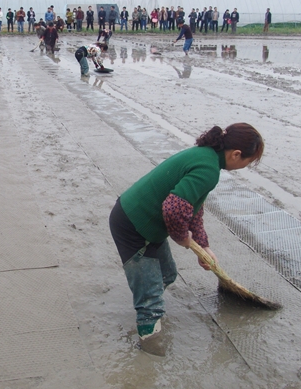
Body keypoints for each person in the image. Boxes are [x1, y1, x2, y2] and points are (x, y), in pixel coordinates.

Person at [109, 123, 264, 354]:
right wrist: (181, 237)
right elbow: (174, 207)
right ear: (236, 154)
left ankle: (146, 293)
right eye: (248, 162)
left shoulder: (205, 157)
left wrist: (203, 246)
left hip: (142, 220)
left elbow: (193, 207)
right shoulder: (208, 170)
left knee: (167, 274)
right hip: (134, 226)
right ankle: (150, 345)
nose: (245, 167)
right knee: (151, 303)